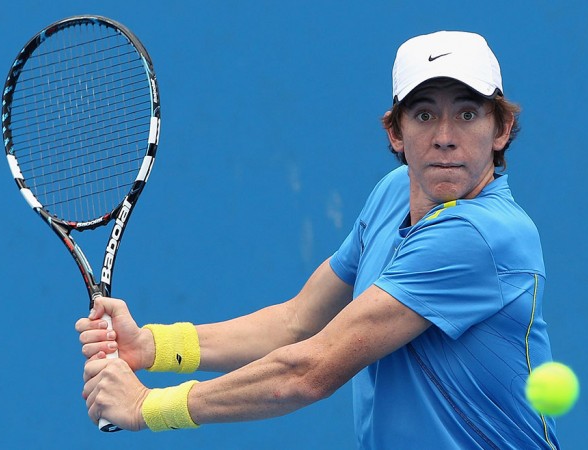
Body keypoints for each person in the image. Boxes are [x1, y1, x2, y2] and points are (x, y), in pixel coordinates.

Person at [77, 30, 560, 449]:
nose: (446, 136)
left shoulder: (480, 235)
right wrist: (153, 346)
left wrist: (146, 406)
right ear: (395, 132)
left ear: (503, 129)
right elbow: (296, 322)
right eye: (425, 115)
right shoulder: (394, 194)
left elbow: (307, 372)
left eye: (469, 115)